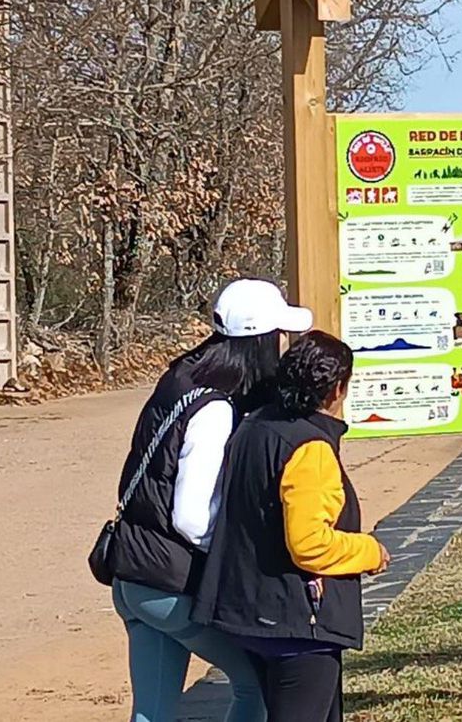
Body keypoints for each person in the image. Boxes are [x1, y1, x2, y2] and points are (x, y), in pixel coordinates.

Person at [107, 278, 313, 722]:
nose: (284, 345)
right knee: (255, 683)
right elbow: (191, 518)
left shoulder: (183, 378)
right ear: (260, 341)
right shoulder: (215, 409)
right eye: (280, 335)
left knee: (152, 713)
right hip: (171, 582)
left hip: (136, 578)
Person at [194, 331, 390, 722]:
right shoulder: (310, 448)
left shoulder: (253, 425)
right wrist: (369, 551)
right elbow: (309, 543)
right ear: (337, 389)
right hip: (298, 624)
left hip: (250, 610)